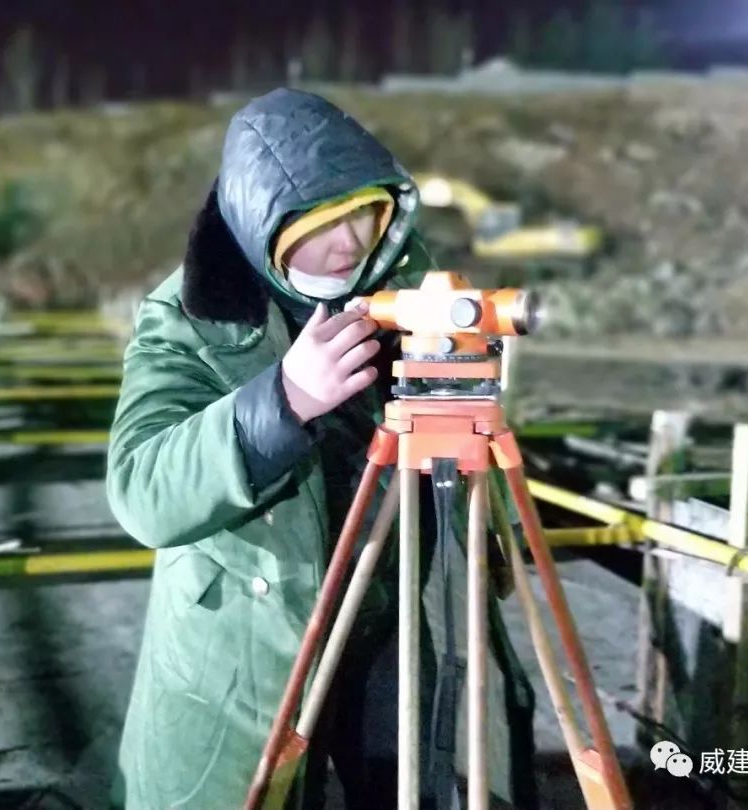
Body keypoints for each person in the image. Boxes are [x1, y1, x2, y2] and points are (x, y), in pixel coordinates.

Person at [106, 88, 537, 810]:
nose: (350, 243)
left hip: (387, 616)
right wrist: (284, 401)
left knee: (412, 784)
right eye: (322, 224)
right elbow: (141, 491)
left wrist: (492, 518)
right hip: (250, 643)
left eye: (365, 215)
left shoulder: (400, 282)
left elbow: (452, 424)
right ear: (264, 225)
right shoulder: (192, 316)